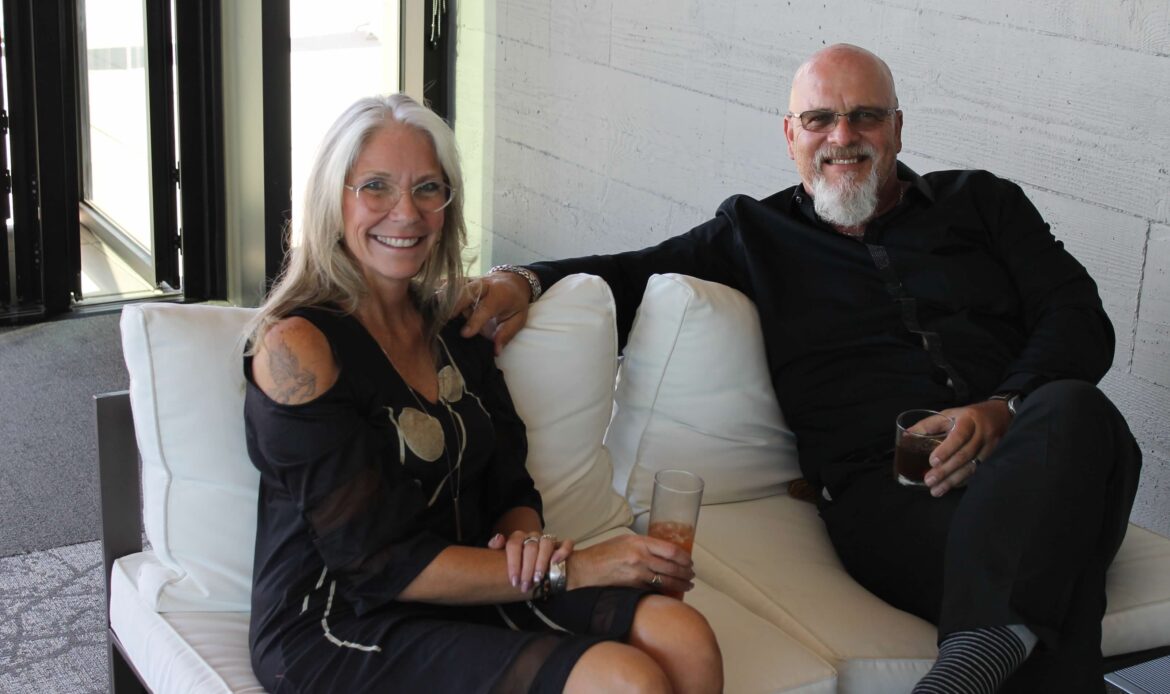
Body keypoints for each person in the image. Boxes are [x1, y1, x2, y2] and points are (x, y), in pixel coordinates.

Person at [461, 45, 1142, 693]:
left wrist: (1002, 411)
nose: (842, 136)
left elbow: (1079, 316)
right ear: (791, 135)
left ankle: (965, 667)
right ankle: (981, 659)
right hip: (895, 503)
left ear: (898, 129)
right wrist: (521, 278)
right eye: (820, 119)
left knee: (1078, 408)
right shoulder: (754, 235)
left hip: (1038, 461)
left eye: (865, 116)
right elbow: (627, 272)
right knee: (1063, 565)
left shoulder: (985, 204)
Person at [243, 94, 723, 694]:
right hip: (338, 622)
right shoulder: (299, 349)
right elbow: (376, 561)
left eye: (426, 189)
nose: (406, 213)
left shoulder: (455, 321)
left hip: (469, 584)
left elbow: (508, 480)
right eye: (375, 187)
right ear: (331, 202)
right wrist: (578, 568)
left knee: (685, 638)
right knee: (624, 680)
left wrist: (525, 536)